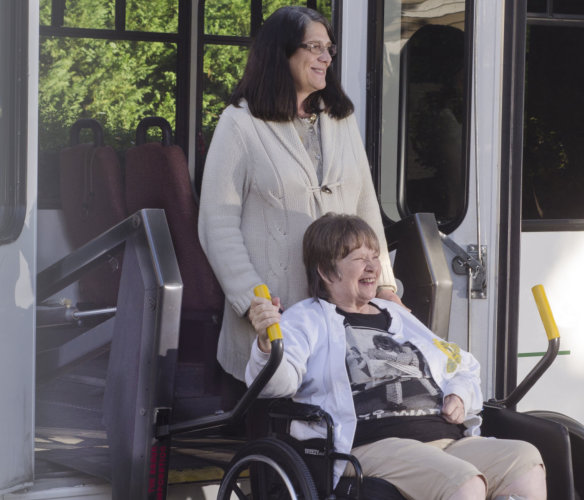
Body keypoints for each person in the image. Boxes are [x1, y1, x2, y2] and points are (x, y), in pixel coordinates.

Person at [246, 213, 546, 500]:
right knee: (465, 483)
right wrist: (266, 343)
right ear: (326, 271)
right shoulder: (305, 318)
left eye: (375, 257)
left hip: (444, 441)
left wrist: (460, 395)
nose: (372, 267)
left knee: (524, 459)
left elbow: (460, 364)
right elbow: (276, 385)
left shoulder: (396, 314)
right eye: (359, 258)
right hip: (372, 444)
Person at [200, 5, 404, 382]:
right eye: (314, 47)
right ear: (282, 53)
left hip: (344, 318)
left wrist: (385, 286)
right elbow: (217, 225)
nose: (326, 57)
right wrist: (252, 302)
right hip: (275, 322)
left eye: (329, 48)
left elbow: (366, 209)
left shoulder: (341, 119)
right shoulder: (239, 123)